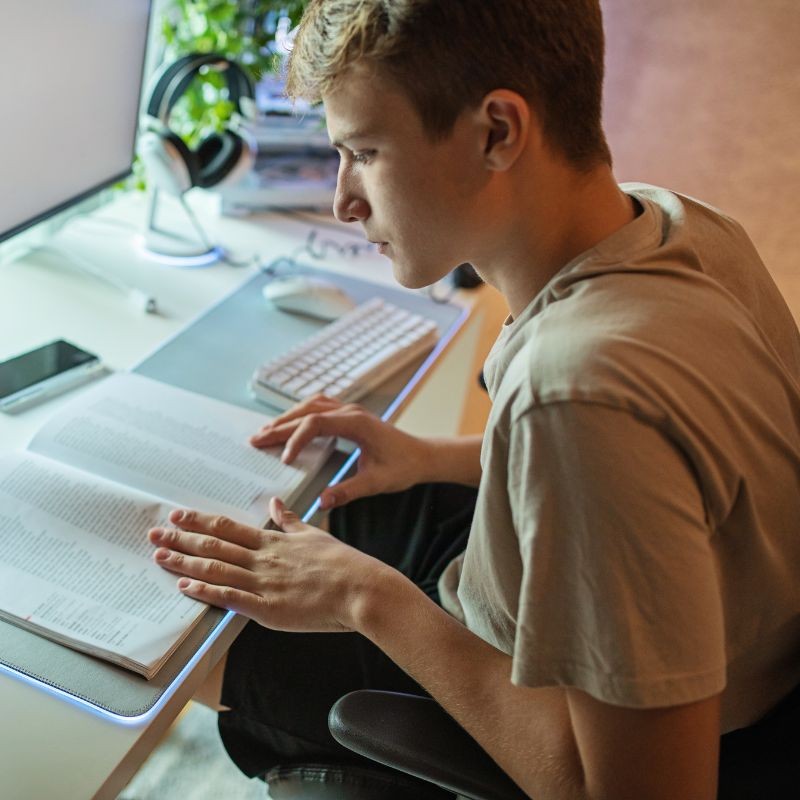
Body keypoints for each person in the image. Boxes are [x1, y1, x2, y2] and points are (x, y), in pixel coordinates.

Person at [148, 1, 800, 797]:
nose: (343, 203)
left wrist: (366, 596)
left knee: (184, 623)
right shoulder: (681, 224)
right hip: (547, 603)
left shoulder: (576, 394)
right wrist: (431, 457)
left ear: (497, 131)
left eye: (365, 152)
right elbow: (673, 477)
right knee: (290, 516)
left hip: (561, 703)